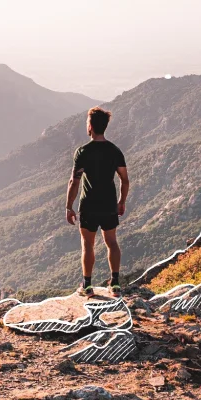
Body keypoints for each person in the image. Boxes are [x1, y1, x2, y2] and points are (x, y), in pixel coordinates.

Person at [65, 106, 129, 297]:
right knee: (112, 242)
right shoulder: (115, 150)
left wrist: (69, 206)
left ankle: (87, 285)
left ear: (90, 126)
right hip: (109, 204)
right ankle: (115, 284)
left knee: (87, 245)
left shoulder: (83, 151)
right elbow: (124, 179)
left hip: (89, 205)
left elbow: (74, 181)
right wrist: (121, 201)